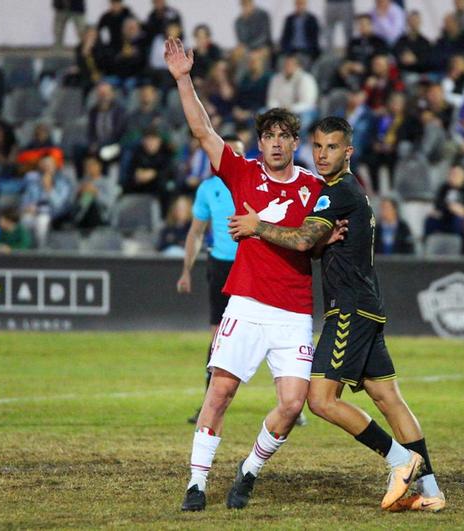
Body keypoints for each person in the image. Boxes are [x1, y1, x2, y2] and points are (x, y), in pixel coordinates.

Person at [228, 116, 446, 513]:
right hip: (368, 306)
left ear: (348, 152)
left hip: (347, 309)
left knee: (321, 399)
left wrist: (258, 226)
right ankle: (431, 489)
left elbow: (303, 239)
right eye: (318, 146)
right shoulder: (352, 191)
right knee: (387, 397)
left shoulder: (334, 193)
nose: (322, 154)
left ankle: (401, 460)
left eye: (331, 147)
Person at [164, 37, 327, 512]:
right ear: (260, 143)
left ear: (295, 143)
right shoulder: (242, 173)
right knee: (221, 392)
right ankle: (196, 482)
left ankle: (250, 469)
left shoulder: (314, 187)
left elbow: (316, 240)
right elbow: (202, 130)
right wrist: (182, 78)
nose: (276, 144)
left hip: (294, 311)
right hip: (248, 304)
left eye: (284, 137)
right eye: (268, 137)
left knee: (294, 404)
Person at [177, 135, 243, 424]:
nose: (232, 159)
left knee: (269, 330)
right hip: (219, 266)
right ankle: (207, 404)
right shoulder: (208, 189)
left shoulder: (253, 183)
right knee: (218, 334)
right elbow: (196, 231)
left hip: (251, 265)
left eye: (237, 154)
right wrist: (186, 270)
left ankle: (292, 405)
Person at [425, 164, 464, 253]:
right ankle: (428, 251)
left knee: (458, 221)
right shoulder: (444, 188)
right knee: (430, 220)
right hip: (445, 216)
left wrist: (454, 208)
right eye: (452, 174)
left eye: (456, 174)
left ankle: (461, 252)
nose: (453, 176)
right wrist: (449, 207)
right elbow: (438, 205)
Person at [72, 155, 120, 230]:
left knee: (93, 206)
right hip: (84, 219)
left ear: (99, 166)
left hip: (102, 219)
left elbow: (111, 203)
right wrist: (78, 195)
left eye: (92, 164)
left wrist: (96, 193)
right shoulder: (83, 183)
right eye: (87, 165)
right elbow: (81, 205)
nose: (90, 167)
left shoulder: (107, 182)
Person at [393, 10, 433, 75]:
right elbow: (396, 55)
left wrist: (415, 60)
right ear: (408, 22)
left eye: (416, 20)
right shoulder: (401, 41)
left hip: (420, 73)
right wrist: (403, 58)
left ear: (420, 22)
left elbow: (427, 61)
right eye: (412, 20)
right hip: (403, 72)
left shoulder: (425, 42)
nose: (414, 23)